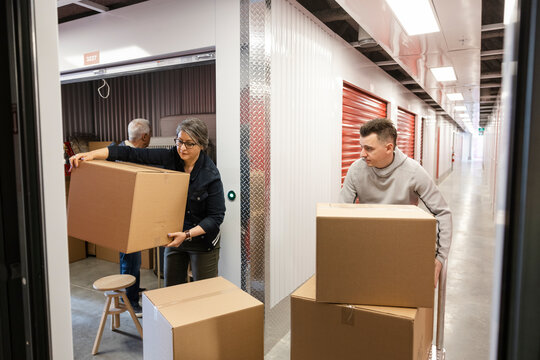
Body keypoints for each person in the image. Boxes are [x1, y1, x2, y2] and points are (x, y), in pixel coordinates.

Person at [70, 118, 225, 288]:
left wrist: (187, 235)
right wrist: (91, 155)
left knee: (204, 292)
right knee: (172, 291)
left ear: (201, 145)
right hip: (174, 238)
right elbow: (131, 153)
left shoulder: (210, 174)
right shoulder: (170, 157)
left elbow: (215, 217)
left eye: (189, 144)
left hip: (201, 240)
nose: (182, 148)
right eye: (179, 141)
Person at [339, 118, 452, 287]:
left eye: (368, 148)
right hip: (366, 246)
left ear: (389, 148)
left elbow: (442, 212)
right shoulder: (356, 170)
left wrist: (440, 257)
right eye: (361, 147)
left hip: (402, 248)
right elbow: (341, 212)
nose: (362, 154)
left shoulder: (414, 172)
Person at [118, 118, 152, 315]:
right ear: (145, 136)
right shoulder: (124, 155)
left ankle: (132, 288)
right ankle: (130, 299)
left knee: (132, 259)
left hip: (133, 215)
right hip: (126, 217)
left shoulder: (128, 151)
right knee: (130, 259)